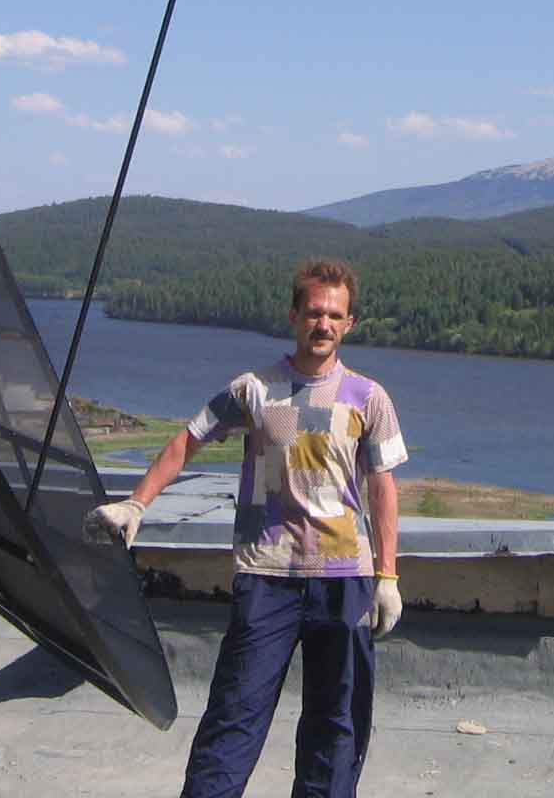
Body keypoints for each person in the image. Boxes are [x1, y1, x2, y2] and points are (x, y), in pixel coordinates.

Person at [84, 257, 407, 798]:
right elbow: (188, 440)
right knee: (234, 715)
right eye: (314, 312)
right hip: (267, 578)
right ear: (294, 315)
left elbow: (382, 488)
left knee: (336, 726)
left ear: (350, 323)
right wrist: (137, 504)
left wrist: (388, 576)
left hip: (344, 580)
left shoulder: (368, 398)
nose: (323, 324)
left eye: (335, 316)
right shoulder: (254, 390)